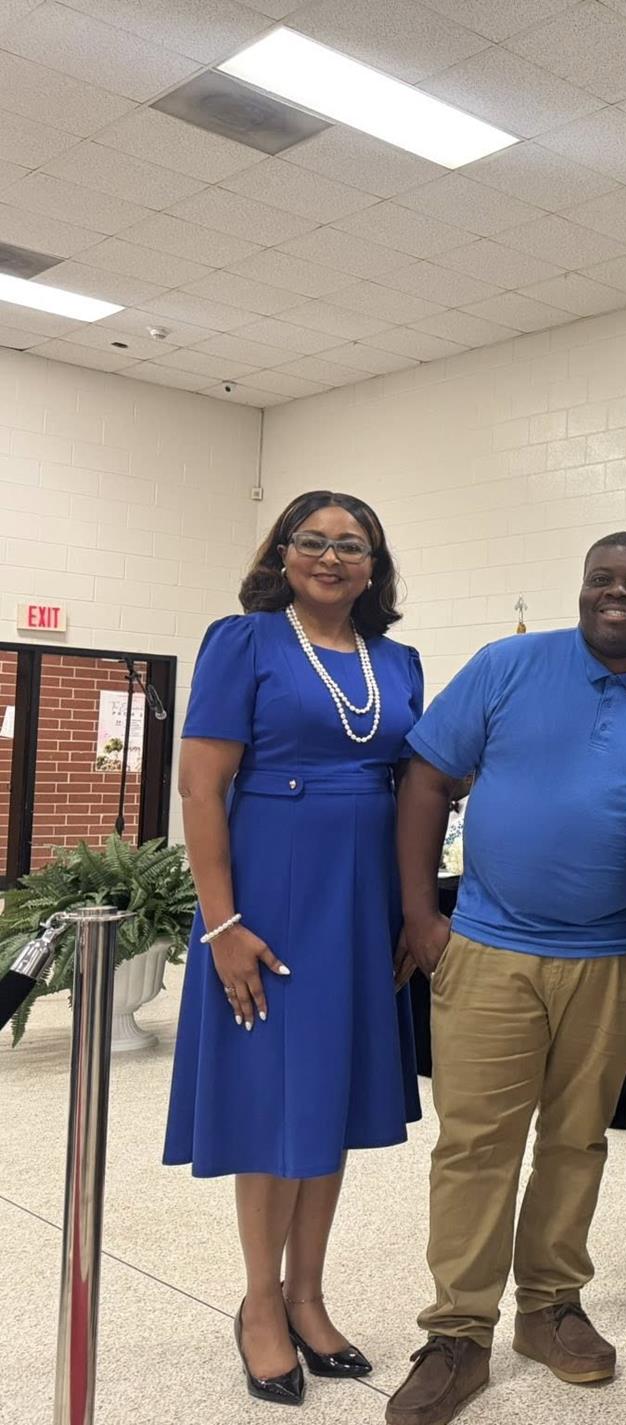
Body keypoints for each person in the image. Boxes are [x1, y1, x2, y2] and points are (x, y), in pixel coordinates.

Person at [384, 533, 626, 1425]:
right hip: (488, 949)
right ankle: (456, 1333)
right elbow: (427, 779)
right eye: (602, 578)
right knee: (474, 1145)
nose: (617, 593)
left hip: (614, 960)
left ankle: (550, 1308)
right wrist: (419, 913)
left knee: (575, 1142)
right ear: (581, 589)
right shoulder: (507, 665)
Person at [164, 491, 423, 1405]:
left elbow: (412, 784)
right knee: (274, 1107)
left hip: (363, 899)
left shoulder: (399, 661)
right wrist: (223, 924)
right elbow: (201, 789)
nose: (331, 556)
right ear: (281, 553)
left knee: (331, 1097)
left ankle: (309, 1293)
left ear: (374, 565)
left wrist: (409, 912)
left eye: (352, 544)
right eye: (311, 540)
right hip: (270, 895)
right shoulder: (244, 642)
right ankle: (260, 1303)